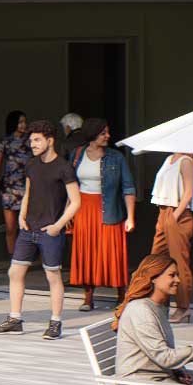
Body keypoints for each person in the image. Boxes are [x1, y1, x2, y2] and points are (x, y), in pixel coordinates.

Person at [0, 120, 81, 339]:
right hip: (28, 228)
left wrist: (58, 226)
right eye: (31, 140)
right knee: (15, 272)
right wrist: (22, 214)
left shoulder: (64, 167)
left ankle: (55, 322)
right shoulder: (31, 165)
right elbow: (28, 192)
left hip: (50, 230)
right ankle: (14, 319)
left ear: (50, 140)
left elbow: (76, 201)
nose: (32, 144)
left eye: (37, 140)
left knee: (53, 276)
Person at [109, 256, 193, 385]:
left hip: (160, 378)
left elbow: (160, 355)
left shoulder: (158, 307)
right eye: (172, 275)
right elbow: (164, 357)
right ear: (153, 277)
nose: (178, 280)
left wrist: (179, 370)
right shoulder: (141, 311)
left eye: (177, 275)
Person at [67, 118, 136, 312]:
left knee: (112, 251)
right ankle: (88, 298)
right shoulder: (77, 154)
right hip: (83, 208)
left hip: (109, 208)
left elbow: (128, 187)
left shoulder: (116, 157)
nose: (108, 136)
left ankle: (121, 295)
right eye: (103, 133)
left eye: (107, 132)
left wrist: (130, 216)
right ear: (92, 134)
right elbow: (69, 184)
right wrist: (67, 212)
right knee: (87, 251)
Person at [148, 151, 193, 323]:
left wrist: (175, 216)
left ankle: (183, 307)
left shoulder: (186, 160)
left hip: (177, 213)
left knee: (178, 262)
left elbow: (188, 192)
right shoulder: (169, 159)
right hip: (164, 212)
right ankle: (159, 303)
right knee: (157, 259)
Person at [0, 109, 33, 254]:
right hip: (8, 189)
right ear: (13, 123)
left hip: (27, 187)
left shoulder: (30, 141)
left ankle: (27, 255)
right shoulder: (4, 141)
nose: (23, 125)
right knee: (10, 227)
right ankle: (13, 257)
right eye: (20, 122)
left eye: (24, 122)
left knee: (28, 225)